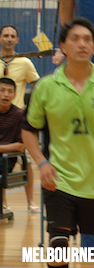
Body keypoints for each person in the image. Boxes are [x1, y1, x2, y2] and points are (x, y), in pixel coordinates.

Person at [22, 18, 94, 268]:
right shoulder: (46, 86)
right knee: (58, 247)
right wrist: (42, 163)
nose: (82, 44)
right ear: (63, 46)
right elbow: (28, 131)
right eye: (75, 39)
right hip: (59, 179)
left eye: (88, 40)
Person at [0, 24, 40, 213]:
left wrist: (32, 111)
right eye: (5, 35)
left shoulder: (25, 62)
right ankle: (3, 202)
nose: (8, 39)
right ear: (0, 38)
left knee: (27, 161)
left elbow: (38, 86)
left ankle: (30, 201)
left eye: (12, 36)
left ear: (17, 40)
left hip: (18, 121)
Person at [0, 78, 25, 213]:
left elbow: (20, 146)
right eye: (2, 90)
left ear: (14, 95)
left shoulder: (19, 115)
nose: (6, 94)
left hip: (6, 160)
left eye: (10, 91)